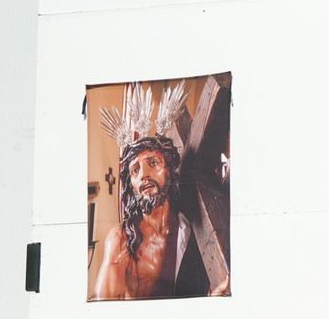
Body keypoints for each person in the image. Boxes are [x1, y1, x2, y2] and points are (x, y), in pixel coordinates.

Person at [90, 81, 230, 300]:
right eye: (135, 170)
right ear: (131, 184)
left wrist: (212, 301)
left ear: (169, 171)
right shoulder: (122, 239)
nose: (144, 174)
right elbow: (104, 314)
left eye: (152, 163)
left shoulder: (191, 228)